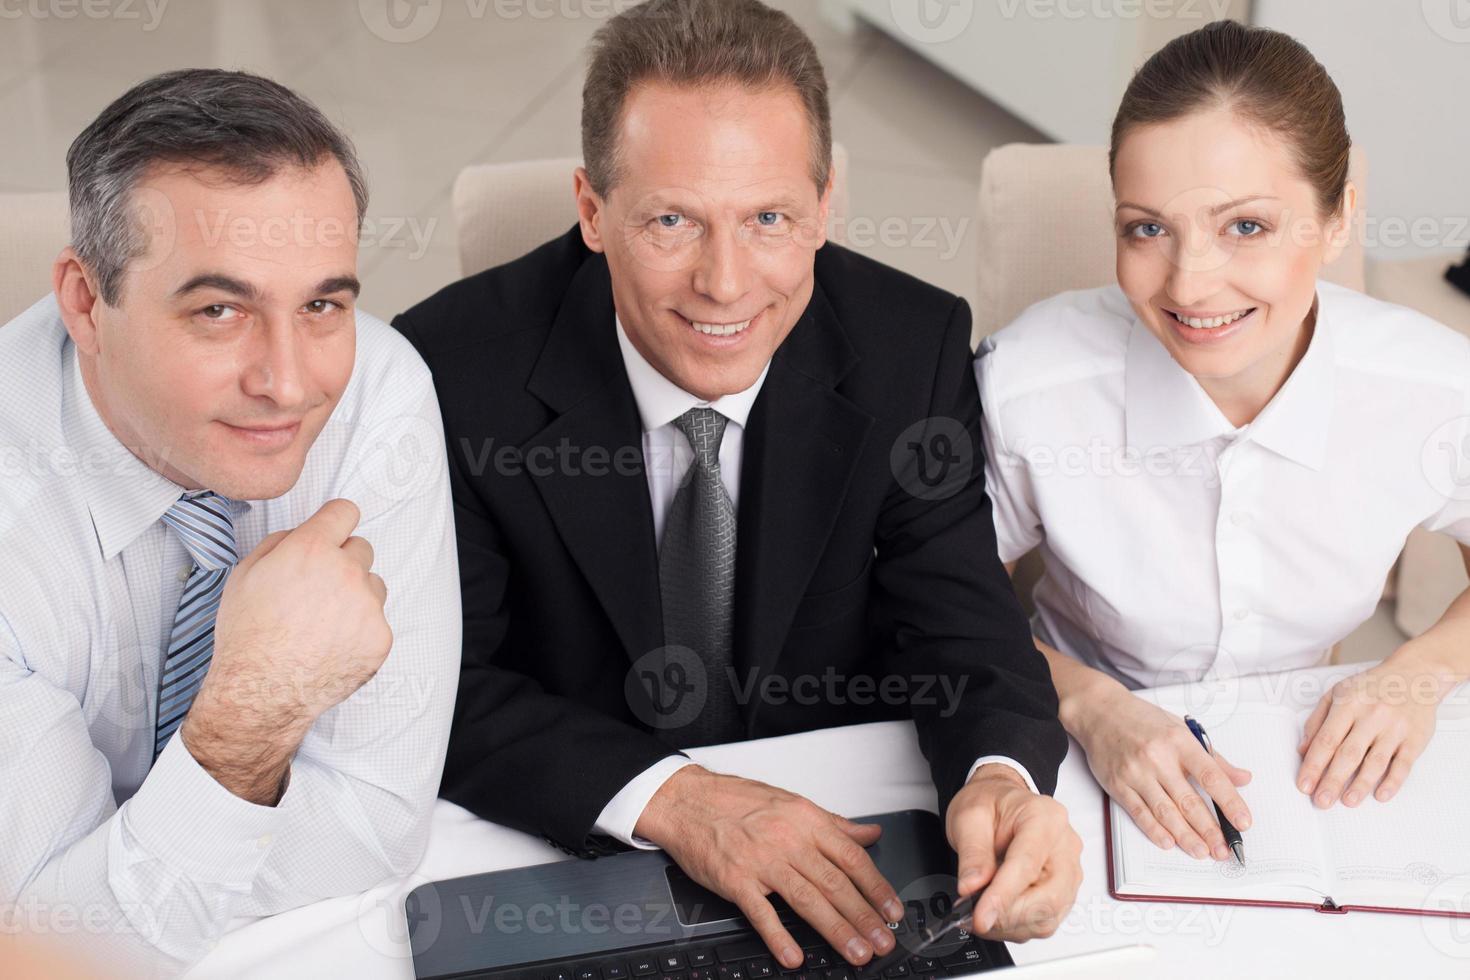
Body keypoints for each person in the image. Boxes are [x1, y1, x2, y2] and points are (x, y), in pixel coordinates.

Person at [397, 0, 1081, 966]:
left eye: (769, 218)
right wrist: (676, 800)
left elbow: (965, 629)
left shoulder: (906, 348)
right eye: (673, 220)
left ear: (827, 203)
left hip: (841, 850)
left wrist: (1004, 777)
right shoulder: (448, 369)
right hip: (571, 845)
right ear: (592, 211)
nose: (726, 283)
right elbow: (437, 688)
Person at [975, 20, 1470, 864]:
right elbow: (928, 606)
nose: (1190, 283)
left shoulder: (1433, 389)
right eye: (1147, 229)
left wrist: (1419, 675)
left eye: (1247, 227)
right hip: (1073, 738)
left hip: (1314, 766)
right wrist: (1089, 705)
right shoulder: (1030, 385)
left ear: (1338, 216)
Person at [0, 70, 461, 975]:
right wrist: (251, 718)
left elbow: (376, 827)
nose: (289, 385)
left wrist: (129, 874)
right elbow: (61, 953)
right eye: (220, 311)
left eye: (323, 305)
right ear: (86, 302)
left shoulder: (378, 397)